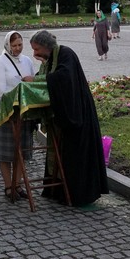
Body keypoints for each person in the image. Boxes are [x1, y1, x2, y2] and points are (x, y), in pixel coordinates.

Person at [30, 30, 109, 206]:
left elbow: (63, 78)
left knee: (75, 156)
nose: (35, 53)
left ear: (45, 46)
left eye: (36, 49)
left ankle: (77, 195)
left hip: (77, 112)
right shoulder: (50, 58)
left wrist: (36, 80)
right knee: (61, 154)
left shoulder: (66, 54)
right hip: (64, 114)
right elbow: (51, 77)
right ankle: (57, 191)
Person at [0, 31, 37, 201]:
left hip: (23, 111)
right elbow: (1, 90)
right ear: (7, 45)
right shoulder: (0, 61)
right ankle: (8, 186)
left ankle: (18, 185)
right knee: (6, 152)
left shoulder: (27, 61)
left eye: (20, 45)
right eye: (14, 45)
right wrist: (20, 90)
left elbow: (32, 83)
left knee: (21, 151)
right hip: (6, 111)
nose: (17, 48)